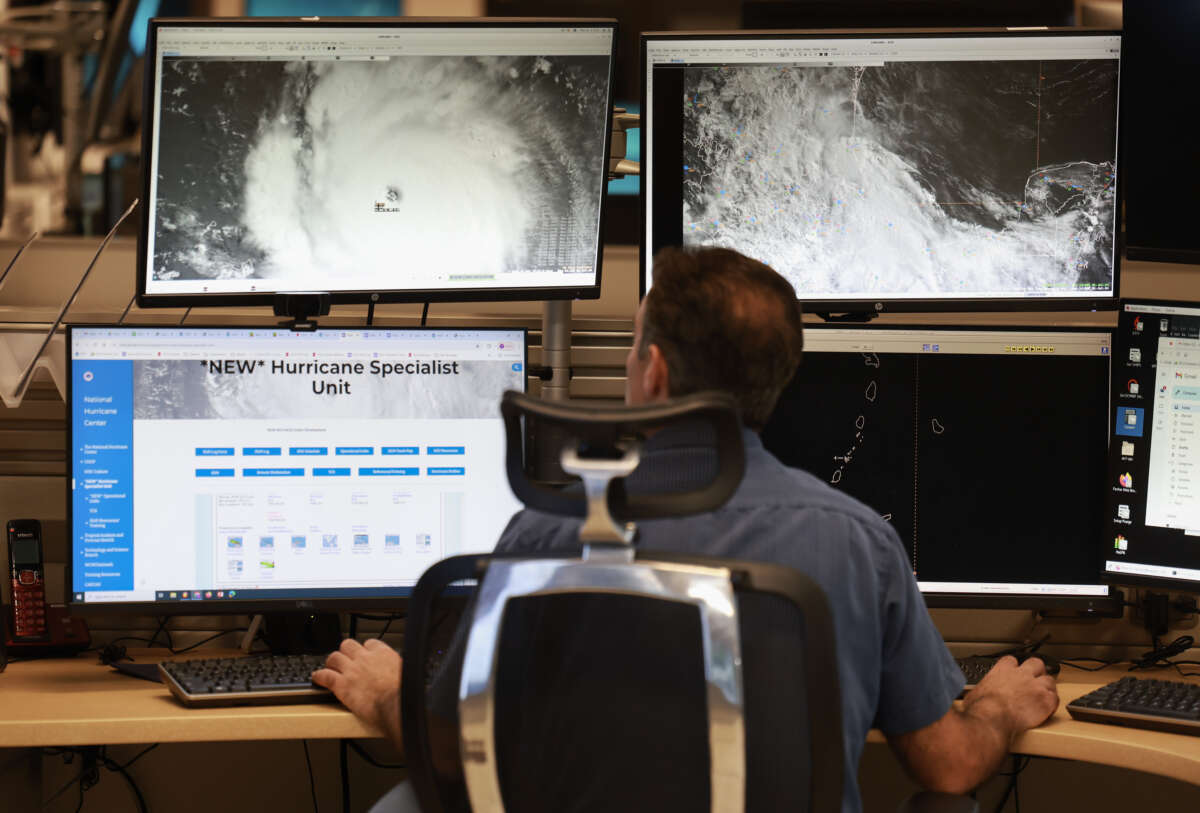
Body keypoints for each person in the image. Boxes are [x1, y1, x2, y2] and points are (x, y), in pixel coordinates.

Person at [313, 245, 1059, 810]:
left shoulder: (548, 533)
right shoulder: (861, 543)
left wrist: (388, 690)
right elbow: (950, 764)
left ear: (656, 373)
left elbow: (450, 750)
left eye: (634, 344)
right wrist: (995, 705)